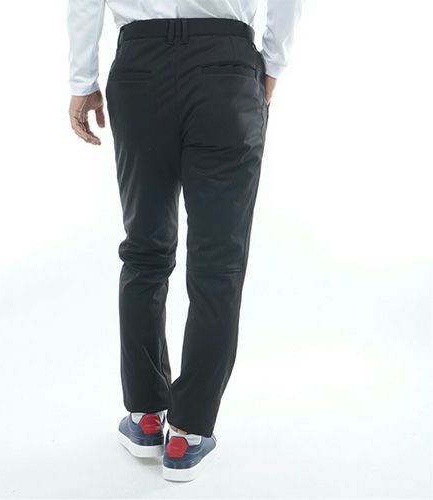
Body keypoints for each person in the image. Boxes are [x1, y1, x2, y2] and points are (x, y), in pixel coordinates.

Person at [67, 0, 304, 482]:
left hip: (140, 68)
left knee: (144, 251)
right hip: (226, 67)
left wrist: (82, 80)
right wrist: (273, 64)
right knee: (219, 262)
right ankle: (188, 433)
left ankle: (145, 416)